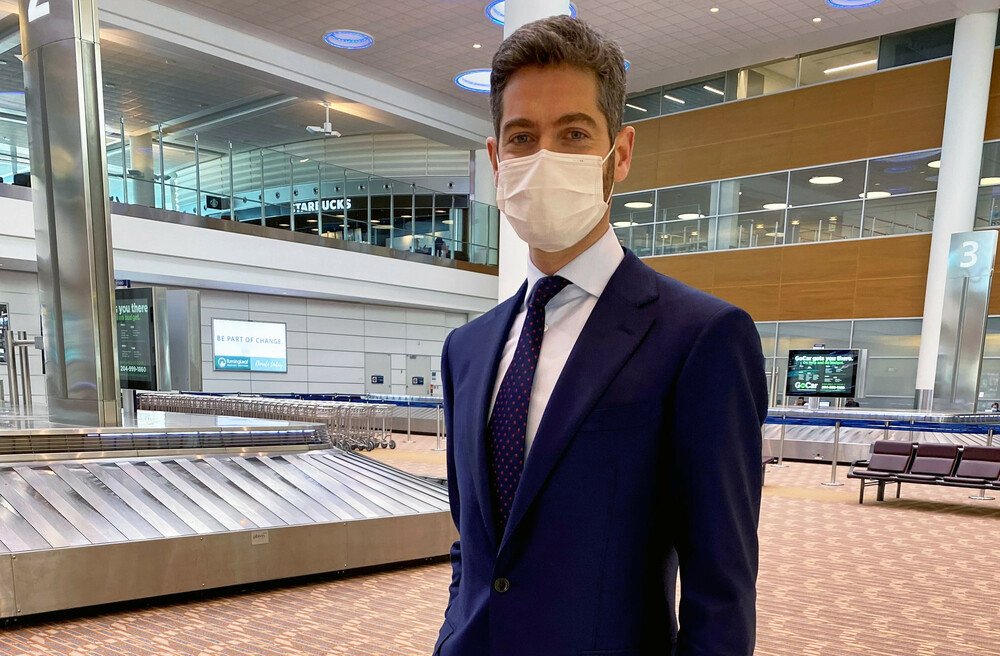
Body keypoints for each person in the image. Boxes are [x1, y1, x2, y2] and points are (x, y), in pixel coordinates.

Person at [435, 16, 767, 656]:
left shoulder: (700, 337)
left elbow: (720, 585)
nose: (544, 157)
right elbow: (472, 542)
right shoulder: (468, 350)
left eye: (574, 134)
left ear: (621, 154)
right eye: (523, 137)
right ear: (497, 160)